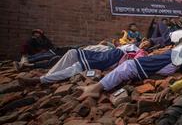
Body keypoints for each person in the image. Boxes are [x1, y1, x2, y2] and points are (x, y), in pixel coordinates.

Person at [76, 44, 182, 100]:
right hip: (151, 64)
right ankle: (96, 88)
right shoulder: (174, 56)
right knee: (128, 67)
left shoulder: (176, 56)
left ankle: (95, 88)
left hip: (143, 65)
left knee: (128, 66)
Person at [18, 41, 149, 86]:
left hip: (113, 58)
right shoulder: (127, 45)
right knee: (72, 52)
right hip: (108, 54)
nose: (144, 43)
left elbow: (138, 60)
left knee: (77, 67)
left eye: (147, 43)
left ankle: (41, 80)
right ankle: (49, 75)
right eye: (144, 42)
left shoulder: (138, 50)